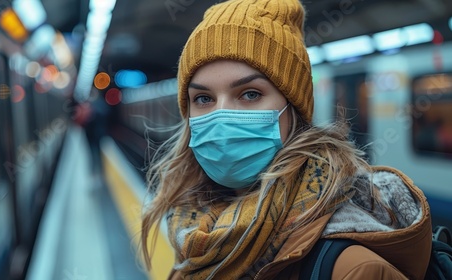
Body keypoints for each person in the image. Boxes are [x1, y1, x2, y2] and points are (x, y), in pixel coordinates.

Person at [140, 0, 433, 279]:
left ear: (293, 108)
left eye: (250, 94)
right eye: (203, 98)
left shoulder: (353, 269)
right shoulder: (194, 241)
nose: (222, 116)